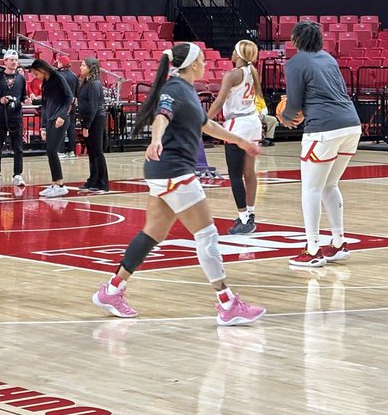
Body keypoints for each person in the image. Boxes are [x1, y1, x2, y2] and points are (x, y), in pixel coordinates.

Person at [91, 42, 265, 326]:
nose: (206, 64)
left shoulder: (186, 90)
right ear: (193, 64)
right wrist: (155, 139)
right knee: (207, 235)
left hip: (164, 172)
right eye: (203, 60)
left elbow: (207, 126)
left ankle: (112, 290)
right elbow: (162, 116)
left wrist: (242, 141)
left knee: (152, 234)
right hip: (174, 171)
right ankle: (227, 303)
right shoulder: (174, 89)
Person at [279, 21, 363, 269]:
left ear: (296, 40)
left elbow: (293, 102)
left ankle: (313, 248)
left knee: (311, 189)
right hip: (351, 124)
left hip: (324, 128)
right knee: (329, 185)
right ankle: (338, 242)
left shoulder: (295, 63)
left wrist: (285, 117)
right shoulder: (328, 58)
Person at [207, 40, 264, 235]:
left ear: (238, 54)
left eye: (233, 50)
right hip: (252, 122)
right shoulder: (253, 71)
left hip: (238, 124)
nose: (231, 53)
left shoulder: (233, 75)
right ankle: (250, 213)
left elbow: (218, 102)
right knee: (249, 173)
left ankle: (243, 218)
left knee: (234, 174)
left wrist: (203, 121)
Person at [29, 58, 72, 197]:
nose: (35, 77)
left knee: (52, 150)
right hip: (50, 119)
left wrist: (61, 115)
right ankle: (55, 183)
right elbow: (45, 105)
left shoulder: (58, 77)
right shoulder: (45, 83)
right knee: (50, 151)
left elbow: (68, 97)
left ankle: (60, 184)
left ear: (42, 69)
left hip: (60, 119)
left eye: (36, 74)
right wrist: (42, 126)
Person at [0, 50, 27, 188]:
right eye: (11, 59)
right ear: (5, 61)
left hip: (16, 116)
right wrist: (0, 100)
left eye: (15, 60)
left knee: (18, 147)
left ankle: (18, 174)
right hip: (1, 116)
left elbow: (23, 95)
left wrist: (26, 99)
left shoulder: (21, 79)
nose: (13, 62)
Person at [77, 57, 110, 193]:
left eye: (83, 65)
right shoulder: (84, 83)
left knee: (97, 151)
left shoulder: (95, 84)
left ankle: (102, 183)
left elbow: (93, 107)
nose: (80, 67)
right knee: (91, 151)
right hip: (89, 120)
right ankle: (93, 180)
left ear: (91, 68)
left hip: (96, 120)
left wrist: (87, 126)